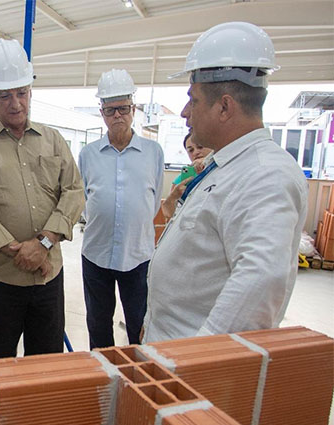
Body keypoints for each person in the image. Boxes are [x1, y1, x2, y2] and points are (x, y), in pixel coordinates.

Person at [143, 22, 308, 343]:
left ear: (224, 106)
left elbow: (261, 282)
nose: (184, 112)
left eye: (193, 99)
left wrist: (198, 364)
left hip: (194, 372)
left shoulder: (265, 174)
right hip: (171, 349)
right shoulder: (226, 165)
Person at [0, 38, 84, 359]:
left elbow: (73, 191)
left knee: (45, 367)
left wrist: (42, 244)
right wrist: (18, 249)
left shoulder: (53, 140)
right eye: (5, 95)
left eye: (22, 93)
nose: (15, 103)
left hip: (47, 279)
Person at [78, 69, 164, 349]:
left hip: (138, 256)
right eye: (111, 109)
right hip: (96, 254)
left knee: (138, 326)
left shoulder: (153, 152)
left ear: (134, 109)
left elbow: (153, 201)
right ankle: (104, 381)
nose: (118, 115)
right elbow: (82, 198)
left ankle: (136, 383)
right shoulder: (88, 154)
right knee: (98, 326)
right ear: (102, 112)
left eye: (123, 109)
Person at [160, 131, 212, 220]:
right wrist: (173, 197)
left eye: (200, 147)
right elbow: (168, 214)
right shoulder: (181, 180)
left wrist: (208, 163)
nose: (195, 152)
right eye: (190, 150)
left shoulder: (221, 171)